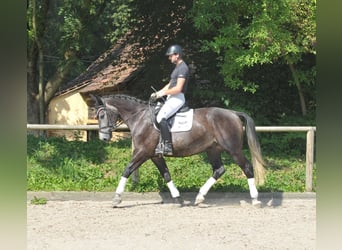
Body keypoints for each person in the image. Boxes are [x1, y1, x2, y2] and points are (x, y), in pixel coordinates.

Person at [150, 44, 189, 156]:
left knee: (161, 117)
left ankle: (167, 146)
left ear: (177, 55)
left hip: (177, 97)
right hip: (171, 97)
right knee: (157, 112)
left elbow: (178, 88)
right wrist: (158, 93)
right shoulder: (177, 68)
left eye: (170, 56)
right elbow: (170, 84)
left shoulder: (183, 68)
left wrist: (163, 93)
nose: (169, 58)